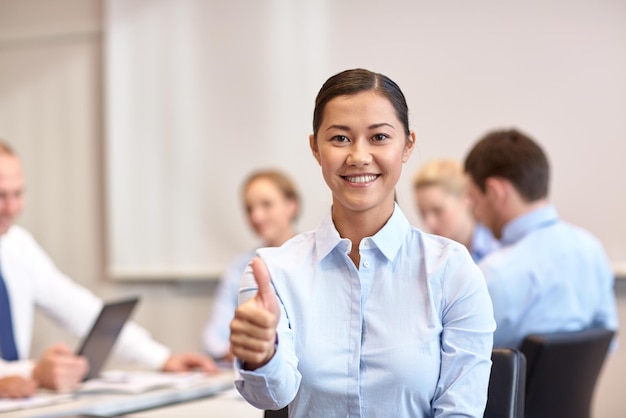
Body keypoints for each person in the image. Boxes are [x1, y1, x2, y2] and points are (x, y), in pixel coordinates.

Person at [229, 68, 495, 416]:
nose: (358, 156)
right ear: (315, 148)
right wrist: (261, 355)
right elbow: (272, 397)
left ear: (407, 145)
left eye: (379, 137)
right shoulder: (273, 271)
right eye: (340, 138)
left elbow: (461, 410)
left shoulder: (452, 270)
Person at [0, 141, 217, 397]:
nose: (12, 209)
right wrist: (33, 372)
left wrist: (161, 358)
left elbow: (77, 308)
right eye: (1, 196)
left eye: (18, 194)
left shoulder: (17, 244)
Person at [463, 128, 619, 349]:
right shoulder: (591, 248)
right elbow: (608, 343)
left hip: (509, 385)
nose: (476, 213)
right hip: (575, 385)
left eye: (474, 199)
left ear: (496, 192)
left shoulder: (495, 273)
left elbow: (460, 364)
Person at [202, 169, 300, 362]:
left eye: (266, 204)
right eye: (249, 209)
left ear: (291, 205)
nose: (256, 217)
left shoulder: (316, 260)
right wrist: (239, 350)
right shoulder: (239, 268)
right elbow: (214, 338)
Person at [412, 158, 499, 262]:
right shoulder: (427, 261)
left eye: (437, 210)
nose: (429, 223)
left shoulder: (500, 250)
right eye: (422, 213)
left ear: (468, 197)